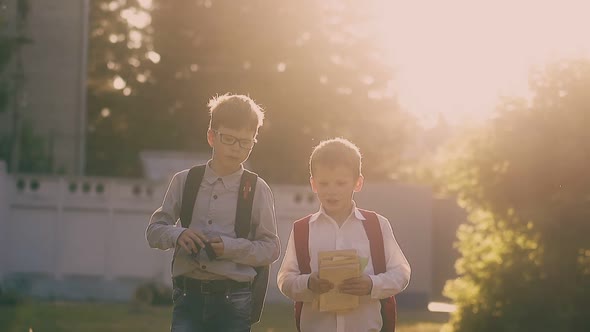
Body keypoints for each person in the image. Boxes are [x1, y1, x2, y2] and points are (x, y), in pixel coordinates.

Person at [146, 93, 280, 332]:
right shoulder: (184, 181)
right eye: (229, 139)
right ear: (211, 136)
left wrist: (230, 248)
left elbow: (271, 248)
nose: (237, 148)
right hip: (188, 295)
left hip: (235, 298)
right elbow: (154, 232)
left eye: (245, 142)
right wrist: (179, 235)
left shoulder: (257, 189)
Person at [277, 137, 411, 332]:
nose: (332, 191)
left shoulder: (377, 225)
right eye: (324, 184)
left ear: (358, 183)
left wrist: (372, 284)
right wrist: (307, 283)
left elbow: (401, 273)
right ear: (313, 184)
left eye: (340, 183)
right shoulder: (302, 230)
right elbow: (285, 280)